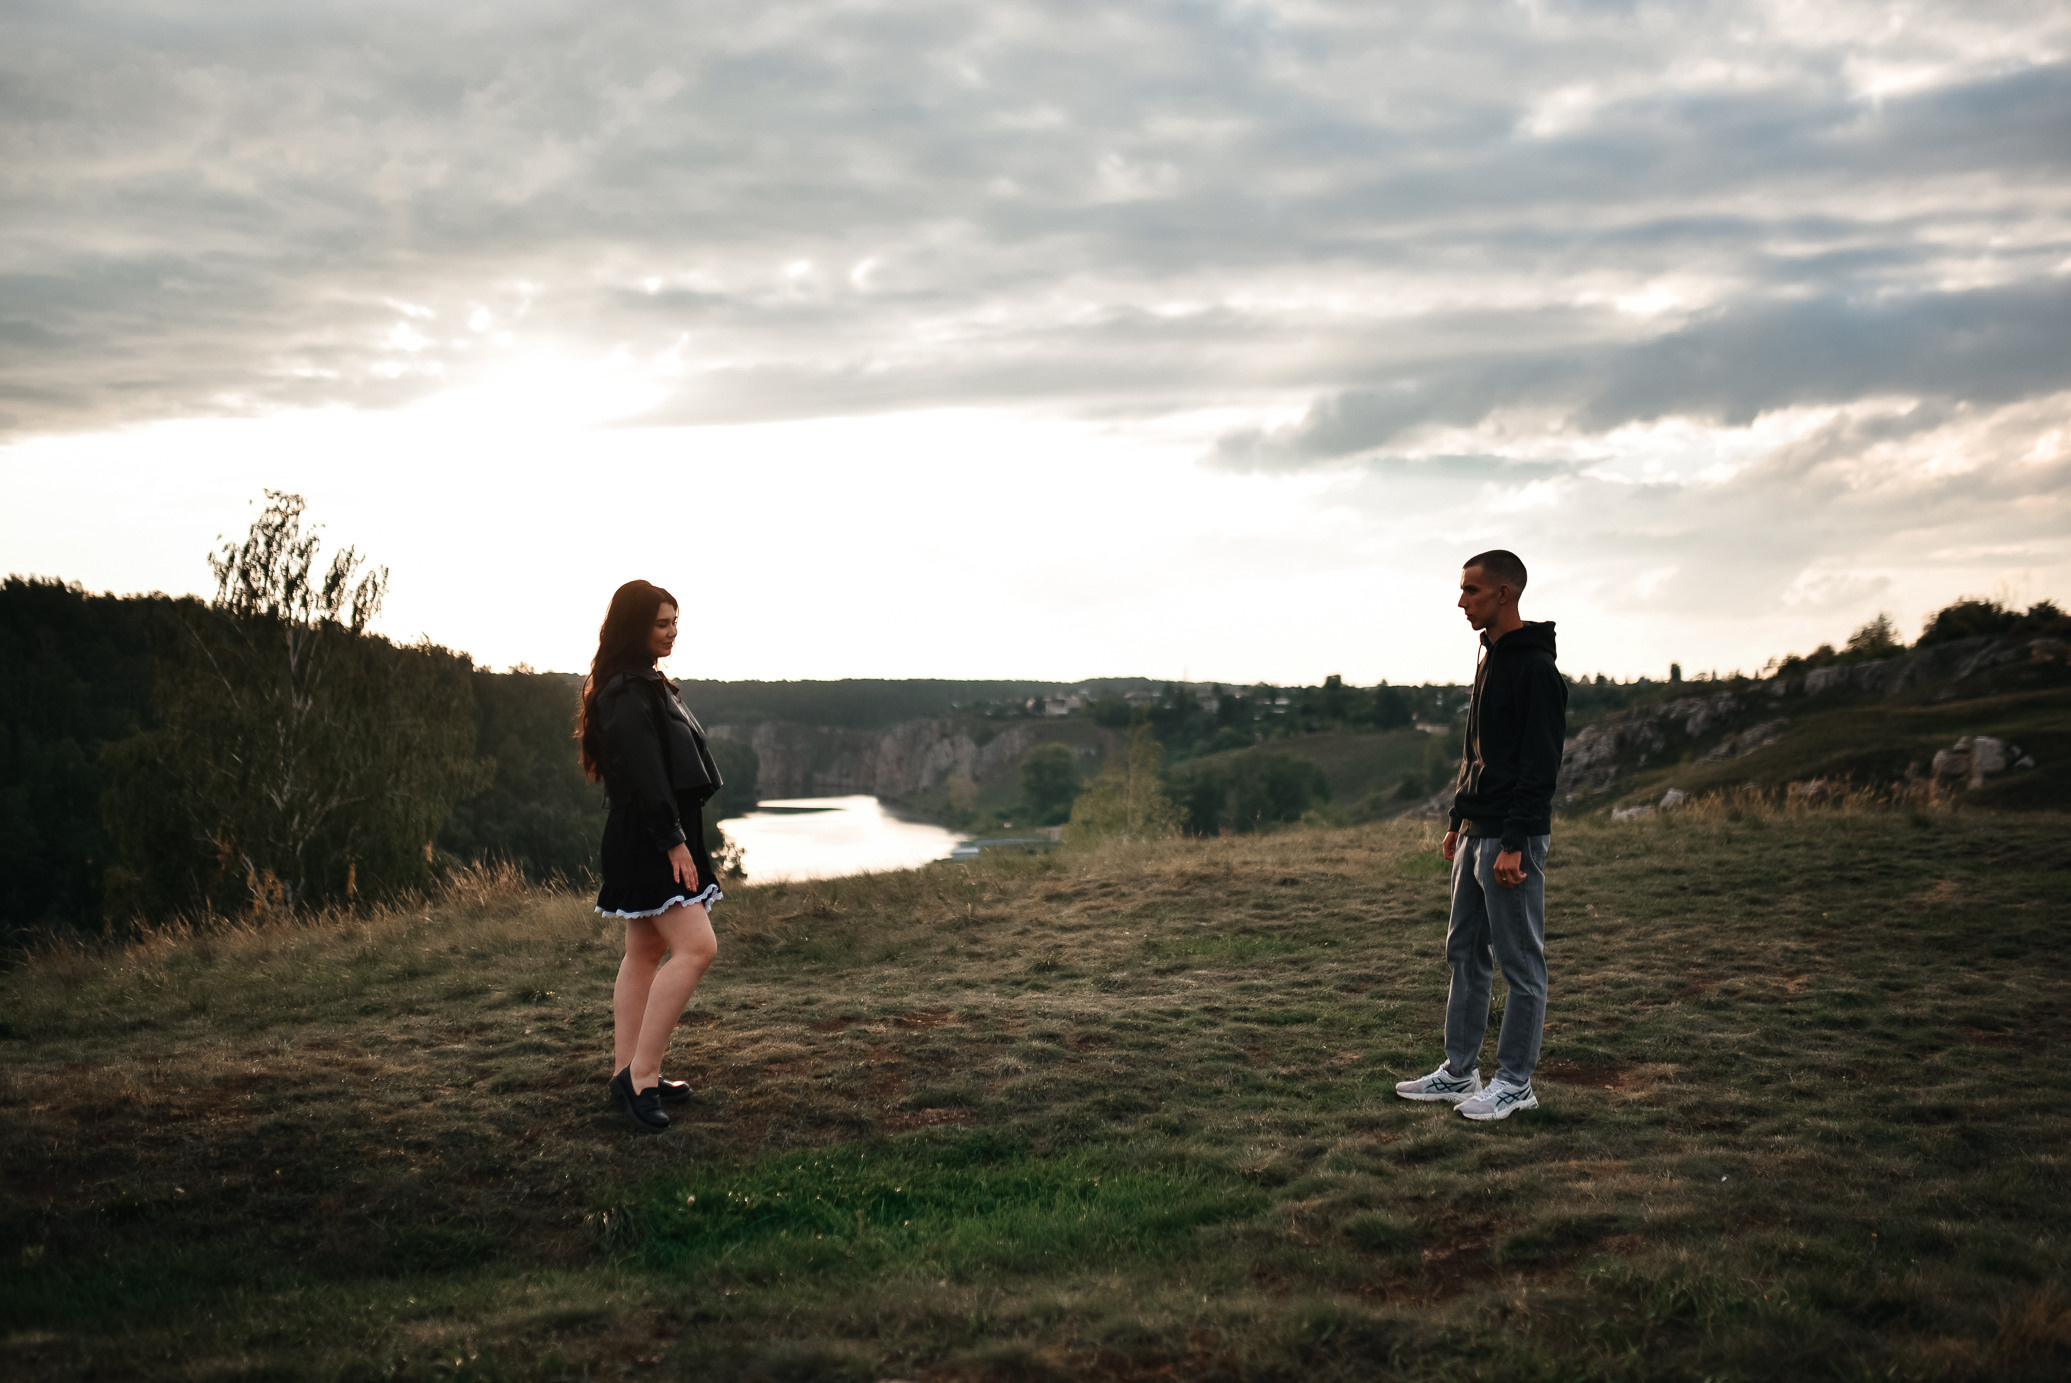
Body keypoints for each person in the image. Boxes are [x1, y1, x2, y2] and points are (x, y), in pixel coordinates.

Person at [1395, 549, 1567, 1122]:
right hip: (1476, 832)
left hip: (1508, 840)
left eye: (1471, 590)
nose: (1461, 600)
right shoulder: (1490, 656)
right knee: (1465, 952)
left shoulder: (1535, 669)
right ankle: (1459, 1070)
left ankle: (1516, 1083)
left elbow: (1538, 766)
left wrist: (1515, 841)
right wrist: (1457, 820)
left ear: (1504, 594)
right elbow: (1480, 752)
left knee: (1521, 965)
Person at [577, 580, 725, 1134]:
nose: (672, 633)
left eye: (675, 623)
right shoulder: (625, 690)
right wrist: (674, 841)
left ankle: (626, 1073)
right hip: (651, 836)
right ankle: (643, 1076)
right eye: (662, 623)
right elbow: (643, 774)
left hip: (655, 830)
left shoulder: (640, 683)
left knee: (644, 951)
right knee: (697, 947)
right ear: (634, 625)